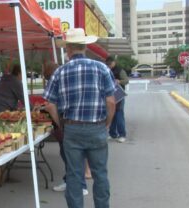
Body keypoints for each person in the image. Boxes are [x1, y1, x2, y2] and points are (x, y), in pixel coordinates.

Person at [43, 28, 116, 208]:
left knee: (74, 175)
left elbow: (49, 104)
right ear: (85, 46)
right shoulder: (102, 68)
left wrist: (60, 124)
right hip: (97, 127)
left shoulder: (60, 72)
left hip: (72, 129)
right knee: (100, 174)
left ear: (68, 49)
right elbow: (111, 102)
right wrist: (106, 124)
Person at [42, 62, 89, 196]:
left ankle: (79, 185)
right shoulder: (69, 82)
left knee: (70, 156)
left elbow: (50, 106)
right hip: (74, 123)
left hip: (64, 125)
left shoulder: (55, 83)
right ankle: (70, 181)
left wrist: (59, 124)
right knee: (72, 156)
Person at [106, 56, 129, 143]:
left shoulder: (120, 70)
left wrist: (119, 81)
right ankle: (113, 134)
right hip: (110, 95)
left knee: (119, 115)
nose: (109, 66)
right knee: (112, 115)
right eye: (107, 64)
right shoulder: (107, 70)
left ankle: (122, 135)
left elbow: (126, 80)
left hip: (119, 95)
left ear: (114, 62)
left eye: (110, 64)